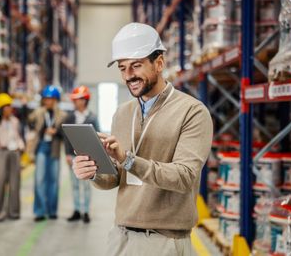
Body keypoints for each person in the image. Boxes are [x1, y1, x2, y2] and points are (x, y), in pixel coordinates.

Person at [72, 22, 213, 255]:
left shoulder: (192, 112)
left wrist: (128, 160)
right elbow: (116, 178)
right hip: (121, 237)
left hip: (165, 240)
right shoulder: (122, 114)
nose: (129, 75)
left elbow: (184, 177)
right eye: (122, 67)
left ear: (159, 63)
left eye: (136, 65)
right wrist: (94, 171)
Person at [28, 85, 67, 221]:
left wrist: (56, 132)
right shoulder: (38, 112)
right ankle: (40, 211)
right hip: (41, 147)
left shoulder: (62, 115)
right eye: (46, 99)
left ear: (56, 100)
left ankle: (52, 211)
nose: (48, 101)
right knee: (39, 180)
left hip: (54, 148)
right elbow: (29, 122)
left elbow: (65, 133)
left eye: (51, 99)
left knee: (54, 181)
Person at [64, 86, 100, 223]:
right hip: (73, 157)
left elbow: (97, 137)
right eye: (74, 100)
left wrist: (95, 157)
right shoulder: (69, 117)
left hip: (87, 157)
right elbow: (66, 137)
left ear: (85, 100)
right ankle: (77, 210)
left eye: (78, 99)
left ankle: (85, 211)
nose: (75, 102)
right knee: (74, 184)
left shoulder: (92, 118)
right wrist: (67, 154)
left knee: (85, 185)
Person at [0, 93, 24, 222]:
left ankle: (14, 212)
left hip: (14, 153)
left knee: (15, 184)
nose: (9, 109)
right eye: (6, 107)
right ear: (1, 109)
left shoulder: (15, 121)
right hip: (1, 153)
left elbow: (18, 136)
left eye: (10, 106)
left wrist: (21, 146)